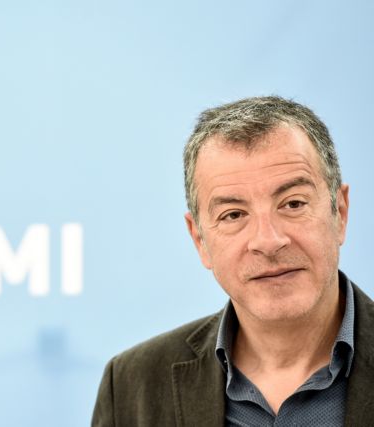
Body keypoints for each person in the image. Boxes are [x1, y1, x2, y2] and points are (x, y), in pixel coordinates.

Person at [91, 96, 374, 426]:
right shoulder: (132, 384)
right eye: (234, 215)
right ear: (200, 239)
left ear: (340, 213)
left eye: (293, 204)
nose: (268, 241)